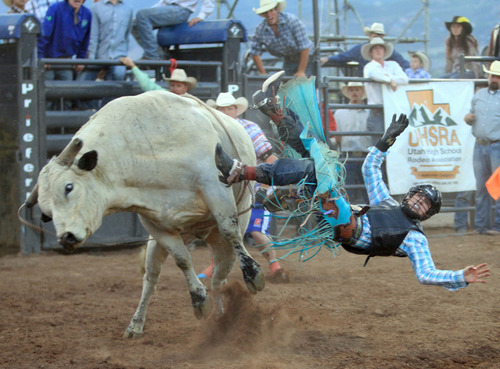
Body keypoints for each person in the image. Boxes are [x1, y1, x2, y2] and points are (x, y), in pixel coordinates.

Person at [214, 71, 490, 290]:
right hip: (342, 213)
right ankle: (274, 111)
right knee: (319, 153)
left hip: (349, 227)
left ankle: (242, 173)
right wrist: (387, 139)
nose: (419, 202)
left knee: (318, 169)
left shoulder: (415, 239)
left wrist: (460, 276)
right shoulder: (386, 202)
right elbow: (371, 168)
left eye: (425, 204)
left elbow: (427, 274)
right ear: (409, 195)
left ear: (427, 214)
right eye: (418, 196)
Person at [196, 92, 287, 281]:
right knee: (216, 230)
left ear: (236, 110)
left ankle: (274, 264)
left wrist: (263, 187)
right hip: (224, 191)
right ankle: (215, 265)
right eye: (222, 108)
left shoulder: (249, 128)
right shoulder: (210, 131)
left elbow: (271, 158)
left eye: (229, 108)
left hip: (252, 190)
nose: (226, 111)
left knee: (256, 231)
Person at [464, 61, 500, 235]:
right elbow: (471, 115)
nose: (495, 79)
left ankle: (496, 226)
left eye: (498, 77)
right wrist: (468, 119)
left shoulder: (479, 94)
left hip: (496, 145)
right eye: (493, 75)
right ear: (488, 76)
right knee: (481, 187)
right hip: (480, 144)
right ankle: (481, 226)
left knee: (497, 188)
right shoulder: (478, 95)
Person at [76, 0, 133, 110]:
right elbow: (93, 35)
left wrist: (124, 54)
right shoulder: (96, 8)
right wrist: (91, 60)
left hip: (118, 55)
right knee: (81, 83)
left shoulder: (128, 9)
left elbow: (126, 35)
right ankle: (90, 109)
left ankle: (107, 110)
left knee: (119, 75)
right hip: (100, 54)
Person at [37, 0, 92, 110]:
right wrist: (41, 58)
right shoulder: (55, 8)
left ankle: (64, 126)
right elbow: (45, 34)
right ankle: (46, 126)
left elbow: (86, 39)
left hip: (67, 61)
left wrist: (81, 59)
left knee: (67, 96)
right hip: (49, 60)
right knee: (47, 95)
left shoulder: (87, 14)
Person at [362, 37, 409, 146]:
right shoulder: (369, 67)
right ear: (371, 52)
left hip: (392, 108)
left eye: (380, 48)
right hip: (377, 109)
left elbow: (404, 79)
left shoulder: (392, 64)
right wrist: (390, 80)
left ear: (384, 51)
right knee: (379, 142)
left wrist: (388, 79)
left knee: (393, 141)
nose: (378, 50)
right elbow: (373, 74)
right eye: (375, 48)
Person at [249, 0, 314, 78]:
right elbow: (254, 52)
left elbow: (305, 47)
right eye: (266, 12)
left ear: (277, 10)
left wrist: (301, 71)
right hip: (288, 59)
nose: (269, 15)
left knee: (304, 84)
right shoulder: (260, 29)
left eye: (271, 10)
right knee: (286, 85)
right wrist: (263, 73)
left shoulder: (292, 21)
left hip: (307, 58)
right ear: (263, 14)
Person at [134, 0, 215, 60]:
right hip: (168, 8)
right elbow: (165, 2)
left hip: (181, 10)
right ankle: (158, 55)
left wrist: (201, 15)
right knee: (134, 24)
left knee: (142, 15)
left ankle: (152, 55)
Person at [321, 22, 410, 77]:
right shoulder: (359, 49)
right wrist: (328, 59)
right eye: (375, 36)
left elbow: (404, 63)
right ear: (370, 36)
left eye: (379, 37)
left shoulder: (361, 49)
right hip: (367, 84)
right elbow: (343, 57)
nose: (377, 39)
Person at [333, 82, 370, 203]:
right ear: (348, 93)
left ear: (362, 92)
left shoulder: (370, 112)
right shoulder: (340, 113)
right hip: (348, 154)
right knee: (348, 188)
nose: (354, 92)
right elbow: (334, 136)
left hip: (366, 154)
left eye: (357, 90)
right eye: (352, 90)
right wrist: (336, 139)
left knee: (367, 189)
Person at [120, 57, 197, 95]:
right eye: (172, 85)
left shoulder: (190, 101)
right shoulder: (164, 95)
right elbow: (147, 84)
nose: (174, 88)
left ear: (185, 88)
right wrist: (133, 66)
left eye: (178, 86)